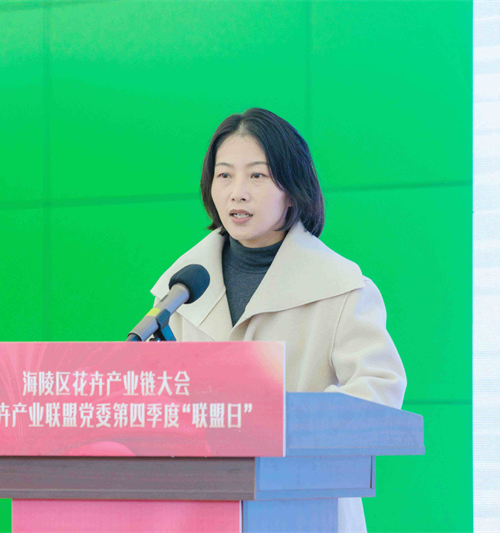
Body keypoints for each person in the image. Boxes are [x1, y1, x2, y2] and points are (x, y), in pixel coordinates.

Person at [150, 108, 407, 533]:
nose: (237, 193)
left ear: (291, 188)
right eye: (224, 175)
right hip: (203, 511)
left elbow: (379, 391)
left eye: (257, 176)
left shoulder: (342, 287)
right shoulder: (179, 291)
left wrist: (280, 421)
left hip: (306, 507)